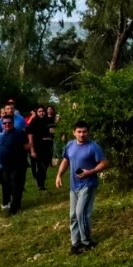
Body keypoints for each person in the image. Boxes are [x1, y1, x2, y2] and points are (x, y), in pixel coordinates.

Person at [56, 120, 108, 255]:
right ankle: (75, 243)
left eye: (84, 132)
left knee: (82, 213)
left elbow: (104, 162)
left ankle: (87, 241)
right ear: (74, 133)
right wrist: (59, 175)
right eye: (79, 132)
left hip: (88, 184)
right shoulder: (70, 145)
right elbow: (65, 160)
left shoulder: (93, 147)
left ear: (88, 133)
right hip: (74, 186)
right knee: (73, 215)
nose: (82, 134)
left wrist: (90, 172)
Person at [0, 115, 30, 216]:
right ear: (2, 125)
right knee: (8, 185)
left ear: (13, 123)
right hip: (6, 166)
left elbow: (27, 146)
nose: (7, 124)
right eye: (5, 123)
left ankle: (14, 209)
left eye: (9, 122)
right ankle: (16, 203)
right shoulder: (4, 134)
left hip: (17, 165)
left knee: (16, 185)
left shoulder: (19, 133)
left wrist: (18, 154)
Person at [27, 105, 54, 190]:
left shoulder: (48, 121)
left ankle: (41, 182)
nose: (41, 113)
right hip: (38, 146)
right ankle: (40, 184)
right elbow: (30, 136)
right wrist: (32, 150)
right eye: (39, 111)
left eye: (43, 111)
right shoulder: (34, 122)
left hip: (48, 146)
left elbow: (53, 133)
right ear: (36, 112)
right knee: (41, 165)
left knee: (45, 165)